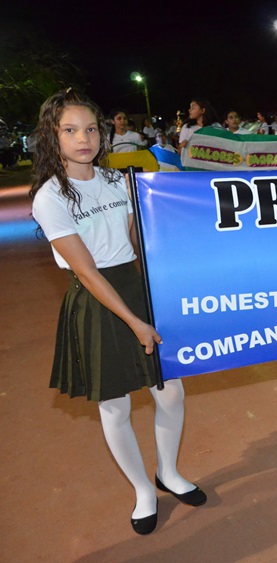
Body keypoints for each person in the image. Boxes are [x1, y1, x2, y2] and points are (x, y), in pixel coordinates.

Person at [30, 89, 206, 536]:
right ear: (52, 137)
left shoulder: (116, 180)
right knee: (115, 405)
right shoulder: (49, 197)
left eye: (91, 129)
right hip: (97, 300)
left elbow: (137, 243)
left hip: (136, 288)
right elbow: (87, 271)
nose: (83, 138)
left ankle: (168, 472)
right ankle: (143, 490)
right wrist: (135, 322)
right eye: (70, 130)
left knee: (170, 392)